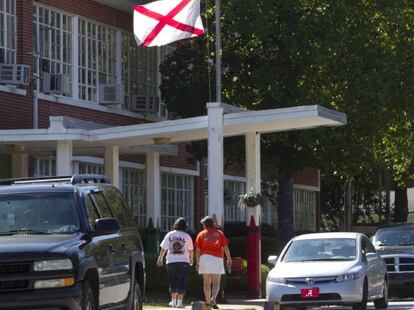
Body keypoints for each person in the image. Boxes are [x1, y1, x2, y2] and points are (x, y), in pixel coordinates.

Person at [195, 216, 232, 309]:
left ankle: (208, 302)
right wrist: (229, 259)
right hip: (217, 259)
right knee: (216, 282)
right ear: (212, 224)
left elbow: (197, 250)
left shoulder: (201, 234)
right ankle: (213, 299)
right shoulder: (219, 233)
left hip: (204, 259)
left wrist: (197, 262)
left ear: (204, 225)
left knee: (206, 283)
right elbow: (226, 247)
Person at [157, 217, 194, 308]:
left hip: (171, 261)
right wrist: (191, 259)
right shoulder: (187, 236)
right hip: (184, 261)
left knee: (172, 281)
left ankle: (173, 302)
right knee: (182, 281)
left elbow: (163, 248)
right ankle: (179, 303)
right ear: (185, 226)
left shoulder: (169, 234)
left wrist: (160, 258)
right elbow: (191, 250)